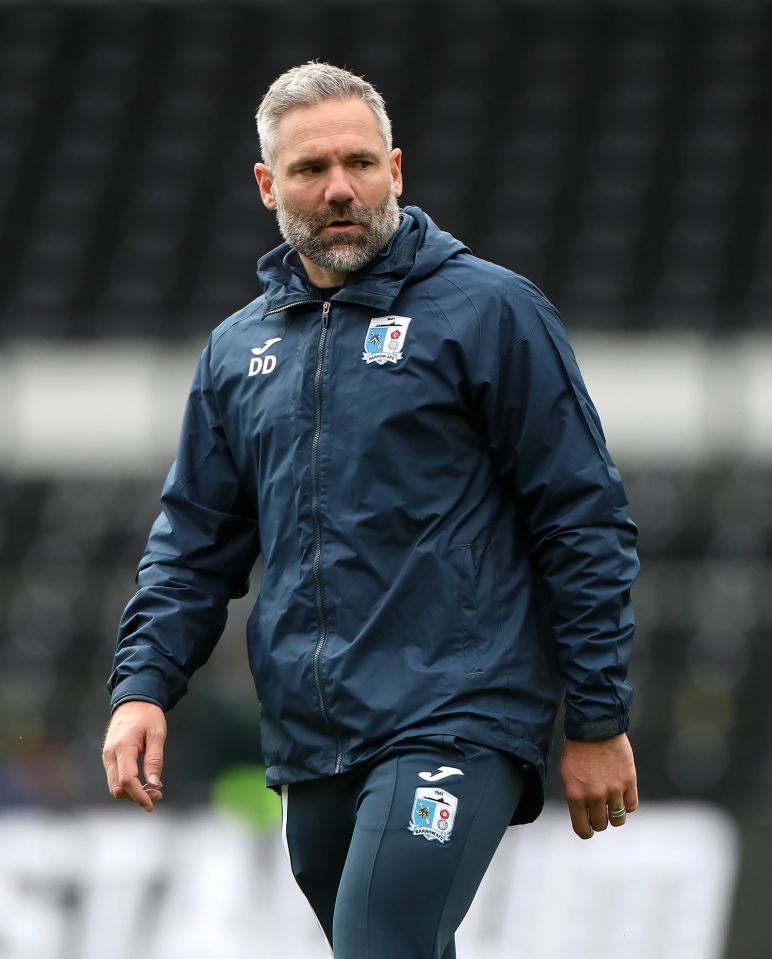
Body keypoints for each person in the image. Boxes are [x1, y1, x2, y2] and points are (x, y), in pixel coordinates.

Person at [103, 62, 639, 958]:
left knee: (383, 940)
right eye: (311, 170)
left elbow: (582, 518)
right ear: (270, 186)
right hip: (316, 737)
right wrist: (142, 685)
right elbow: (194, 541)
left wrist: (597, 717)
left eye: (360, 162)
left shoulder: (491, 311)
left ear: (397, 167)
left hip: (460, 711)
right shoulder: (239, 350)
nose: (339, 188)